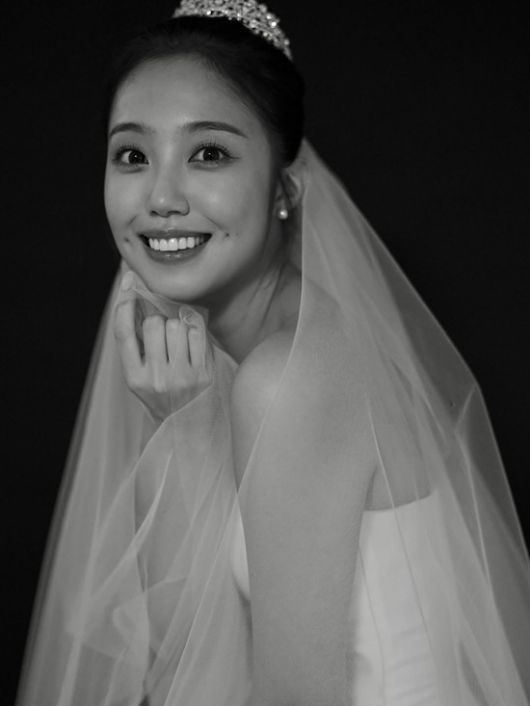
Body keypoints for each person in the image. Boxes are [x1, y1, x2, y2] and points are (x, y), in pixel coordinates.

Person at [16, 2, 530, 705]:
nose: (160, 196)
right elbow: (183, 666)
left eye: (209, 153)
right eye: (132, 155)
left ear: (284, 188)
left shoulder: (292, 379)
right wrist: (186, 432)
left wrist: (189, 437)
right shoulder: (205, 375)